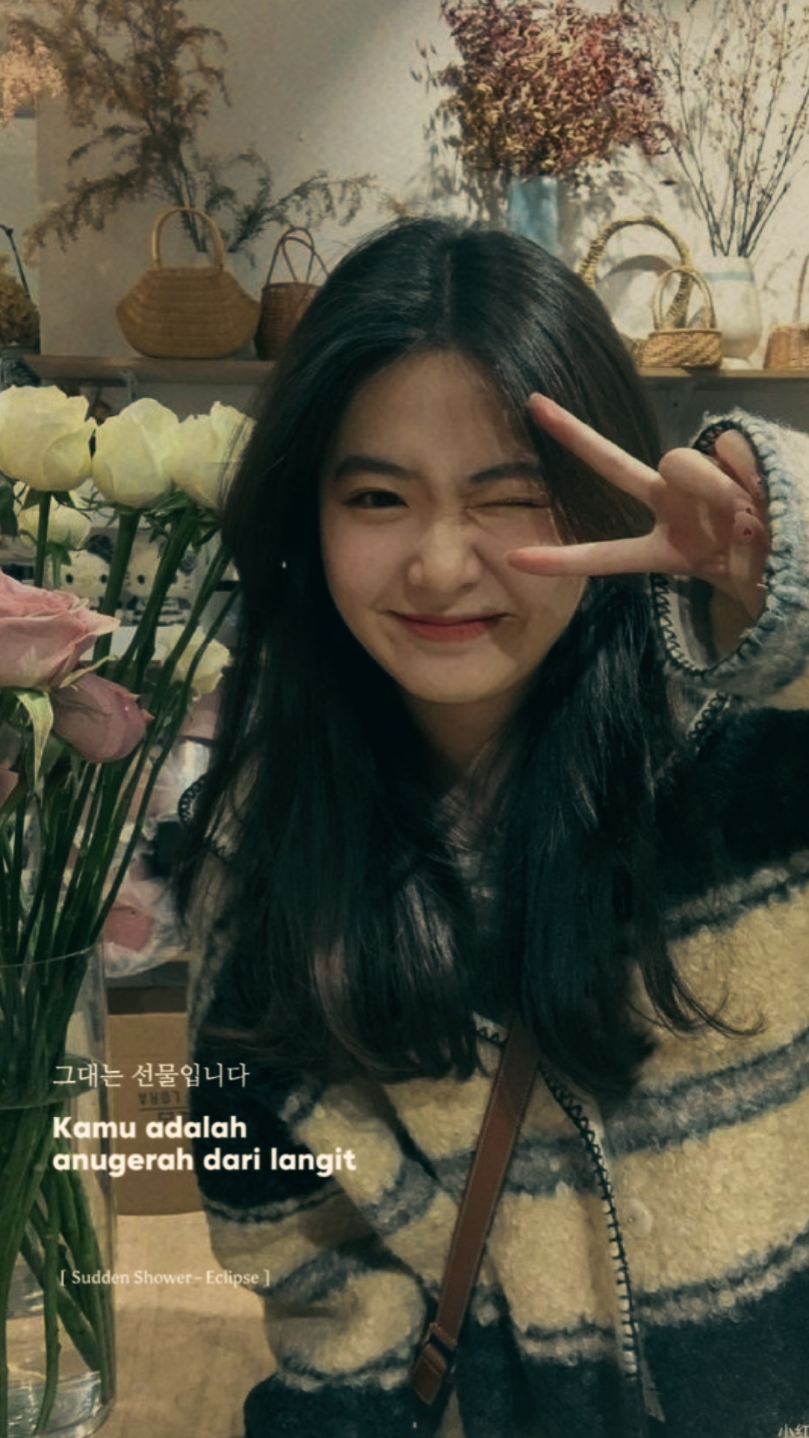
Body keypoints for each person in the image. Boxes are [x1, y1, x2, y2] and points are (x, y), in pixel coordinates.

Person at [177, 218, 809, 1438]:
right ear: (305, 515)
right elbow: (327, 1307)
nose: (439, 563)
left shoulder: (751, 746)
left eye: (509, 496)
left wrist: (776, 563)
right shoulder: (269, 869)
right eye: (377, 497)